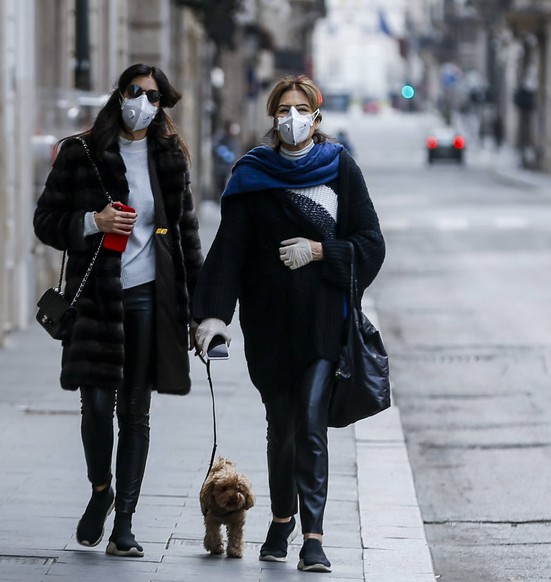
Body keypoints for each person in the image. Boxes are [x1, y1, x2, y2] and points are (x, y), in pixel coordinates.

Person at [191, 75, 385, 573]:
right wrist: (213, 316)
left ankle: (313, 538)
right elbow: (228, 252)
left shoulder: (340, 168)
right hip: (269, 325)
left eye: (301, 109)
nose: (292, 118)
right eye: (283, 109)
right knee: (282, 428)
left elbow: (371, 242)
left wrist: (322, 250)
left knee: (312, 423)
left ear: (316, 117)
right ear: (273, 117)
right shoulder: (251, 174)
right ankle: (281, 520)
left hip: (325, 323)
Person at [33, 63, 203, 557]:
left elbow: (187, 234)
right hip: (97, 298)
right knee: (95, 408)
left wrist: (199, 313)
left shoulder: (169, 157)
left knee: (136, 411)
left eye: (154, 97)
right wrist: (93, 220)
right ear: (119, 94)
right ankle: (100, 490)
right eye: (136, 92)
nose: (143, 103)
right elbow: (46, 221)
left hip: (150, 297)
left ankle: (124, 521)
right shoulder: (80, 153)